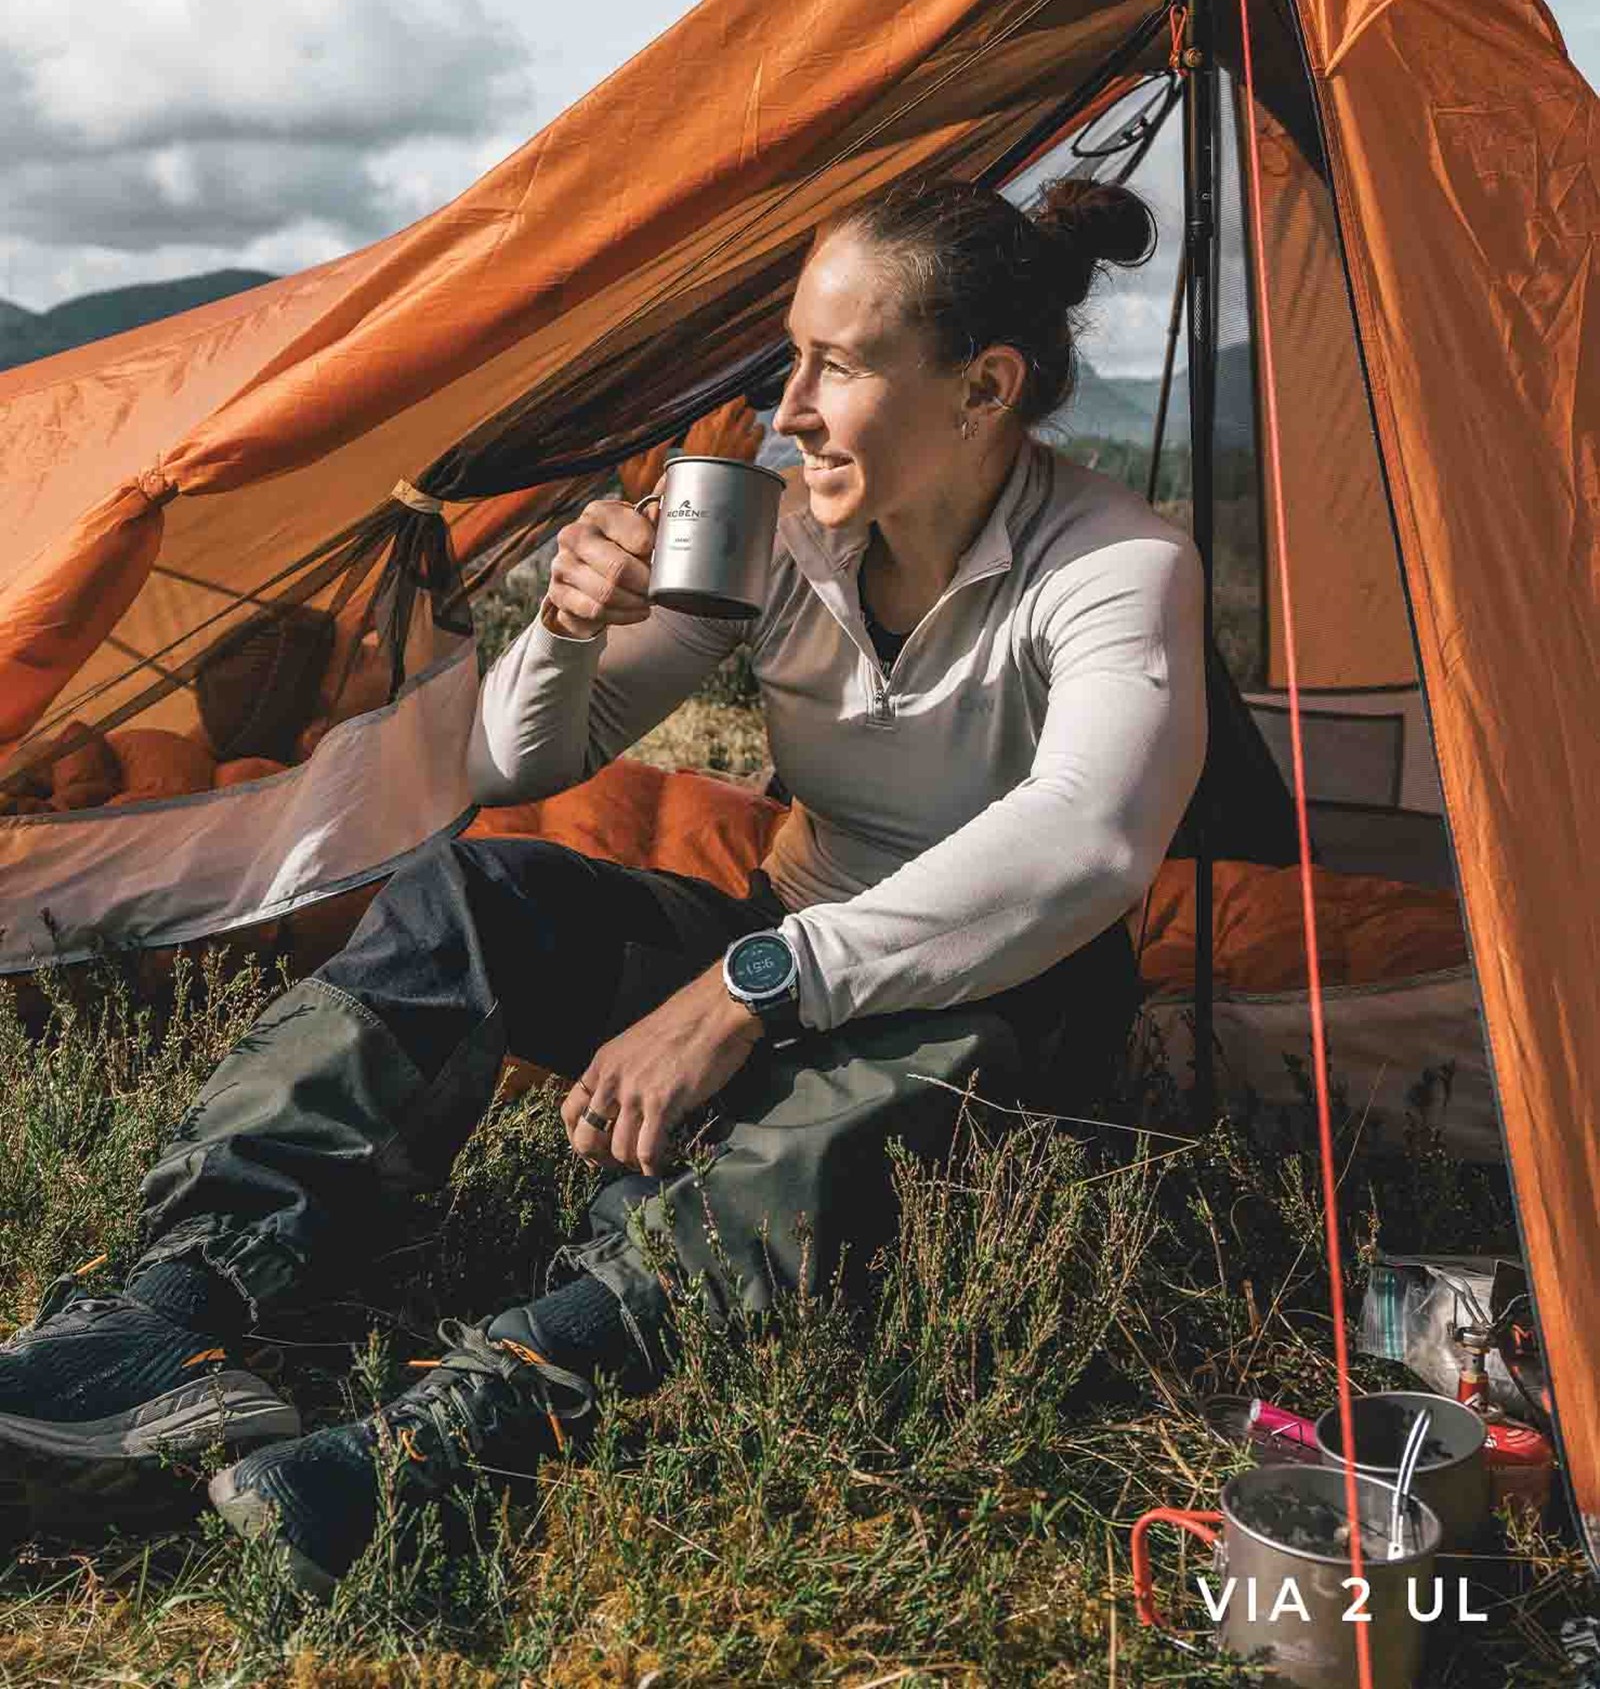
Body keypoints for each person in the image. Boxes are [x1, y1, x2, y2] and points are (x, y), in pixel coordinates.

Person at [0, 175, 1206, 1597]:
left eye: (837, 366)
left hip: (1004, 990)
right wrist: (569, 627)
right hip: (781, 938)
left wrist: (752, 990)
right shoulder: (782, 533)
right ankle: (178, 1310)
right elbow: (526, 758)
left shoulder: (1117, 563)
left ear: (985, 387)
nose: (791, 408)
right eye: (792, 359)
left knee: (866, 1108)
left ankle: (475, 1426)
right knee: (469, 902)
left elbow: (1088, 840)